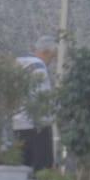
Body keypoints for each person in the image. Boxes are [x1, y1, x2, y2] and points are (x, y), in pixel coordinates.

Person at [13, 36, 56, 171]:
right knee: (41, 169)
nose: (52, 61)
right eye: (52, 57)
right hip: (37, 128)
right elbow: (43, 100)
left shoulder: (19, 63)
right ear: (47, 52)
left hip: (18, 124)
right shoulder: (39, 67)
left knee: (21, 167)